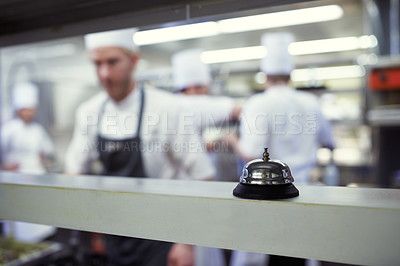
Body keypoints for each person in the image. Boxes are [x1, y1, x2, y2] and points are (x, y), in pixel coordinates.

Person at [64, 28, 215, 266]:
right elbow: (73, 172)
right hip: (113, 235)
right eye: (97, 64)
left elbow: (202, 176)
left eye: (113, 62)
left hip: (163, 237)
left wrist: (186, 242)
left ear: (134, 60)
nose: (104, 73)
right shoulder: (89, 112)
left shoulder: (167, 109)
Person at [224, 32, 334, 266]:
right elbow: (329, 141)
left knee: (266, 251)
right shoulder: (311, 102)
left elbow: (251, 153)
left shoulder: (258, 103)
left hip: (268, 195)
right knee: (299, 253)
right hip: (304, 191)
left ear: (265, 75)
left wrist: (232, 140)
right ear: (290, 74)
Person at [1, 81, 56, 243]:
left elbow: (48, 151)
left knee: (39, 220)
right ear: (18, 110)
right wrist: (5, 167)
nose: (28, 113)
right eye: (25, 109)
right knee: (20, 222)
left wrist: (44, 160)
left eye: (31, 109)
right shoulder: (8, 130)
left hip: (38, 177)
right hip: (16, 181)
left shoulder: (37, 130)